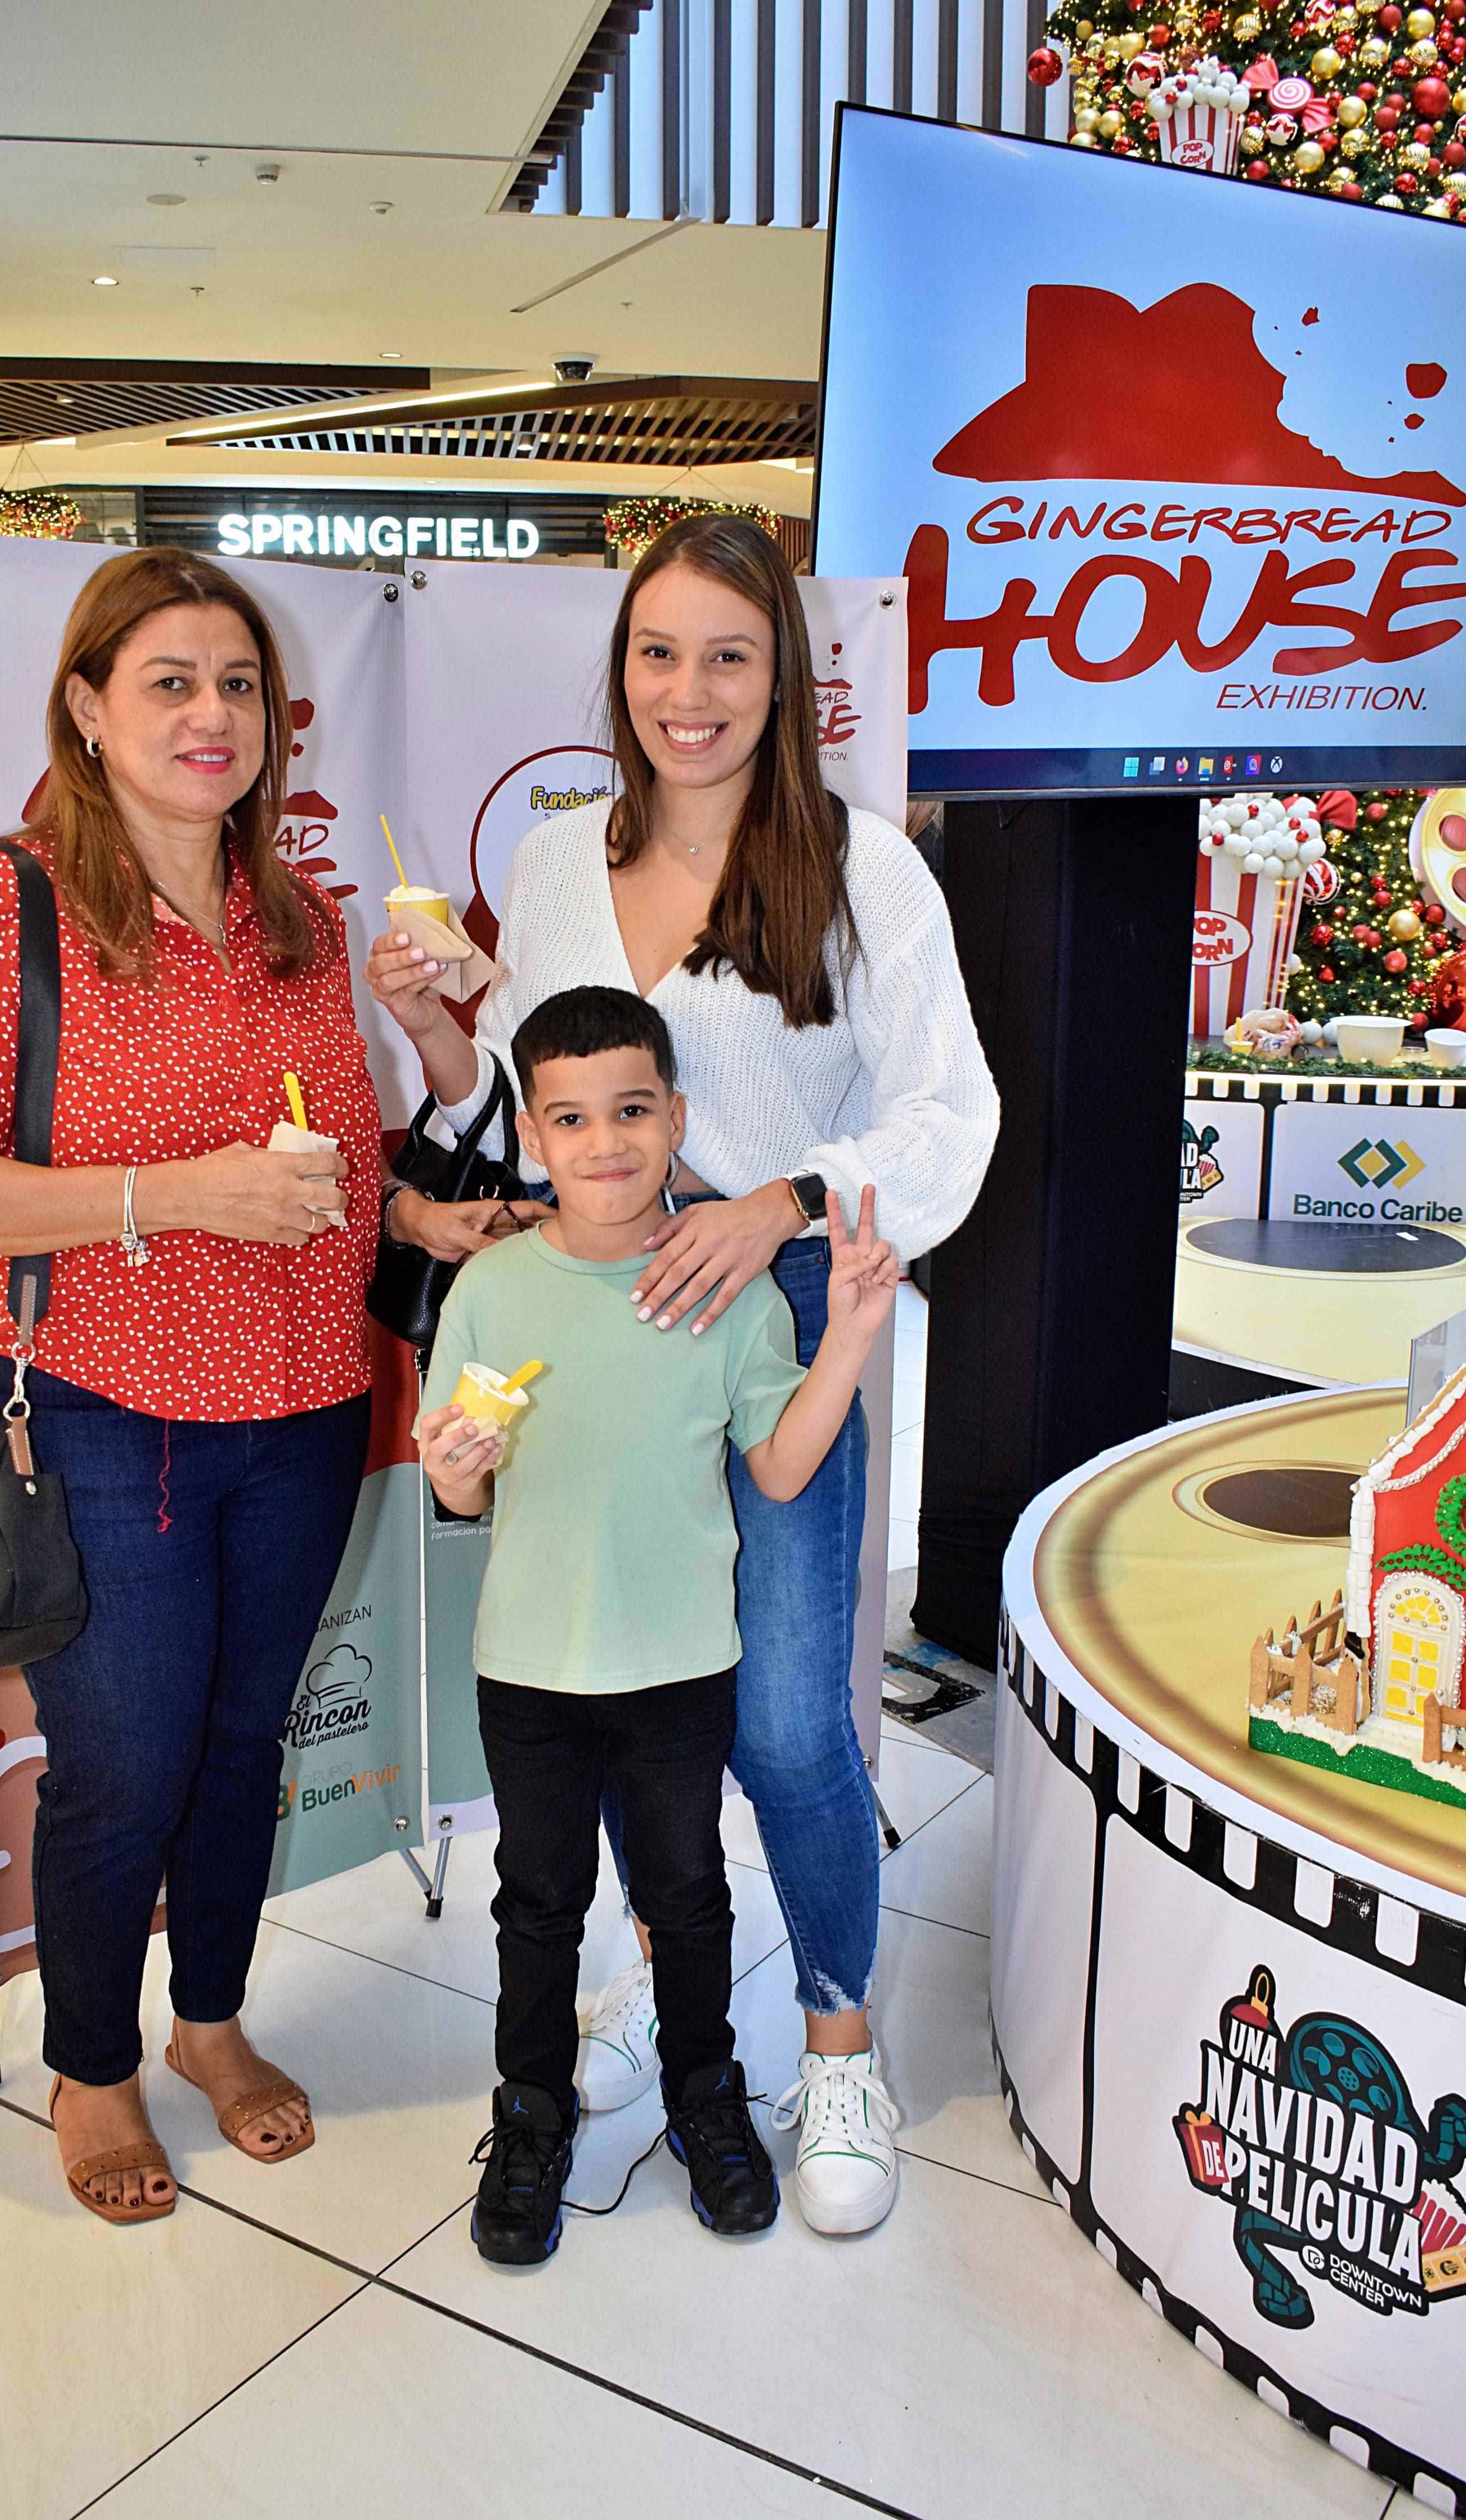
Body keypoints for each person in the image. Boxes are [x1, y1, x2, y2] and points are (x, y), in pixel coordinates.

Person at [370, 514, 998, 2237]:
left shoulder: (865, 871)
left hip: (780, 1298)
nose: (690, 692)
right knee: (631, 1692)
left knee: (790, 1718)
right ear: (621, 671)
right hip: (601, 1315)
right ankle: (667, 1990)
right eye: (659, 653)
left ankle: (840, 2037)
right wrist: (442, 1038)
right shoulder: (570, 861)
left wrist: (786, 1203)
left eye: (729, 653)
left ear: (782, 675)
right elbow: (542, 1079)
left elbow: (949, 1112)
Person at [0, 549, 380, 2225]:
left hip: (303, 1409)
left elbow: (350, 1174)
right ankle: (97, 2069)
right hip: (94, 1407)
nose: (210, 715)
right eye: (167, 681)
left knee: (244, 1749)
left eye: (235, 684)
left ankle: (211, 2023)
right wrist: (174, 1193)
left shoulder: (298, 919)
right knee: (129, 1763)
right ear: (87, 710)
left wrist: (443, 1100)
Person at [418, 985, 899, 2265]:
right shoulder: (495, 1288)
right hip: (529, 1669)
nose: (606, 1140)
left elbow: (783, 1467)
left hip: (682, 1667)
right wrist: (460, 1461)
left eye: (633, 1108)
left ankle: (707, 2101)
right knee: (537, 1902)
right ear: (531, 1131)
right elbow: (456, 1481)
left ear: (676, 1115)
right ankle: (528, 2118)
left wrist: (849, 1332)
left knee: (687, 1899)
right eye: (569, 1116)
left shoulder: (729, 1291)